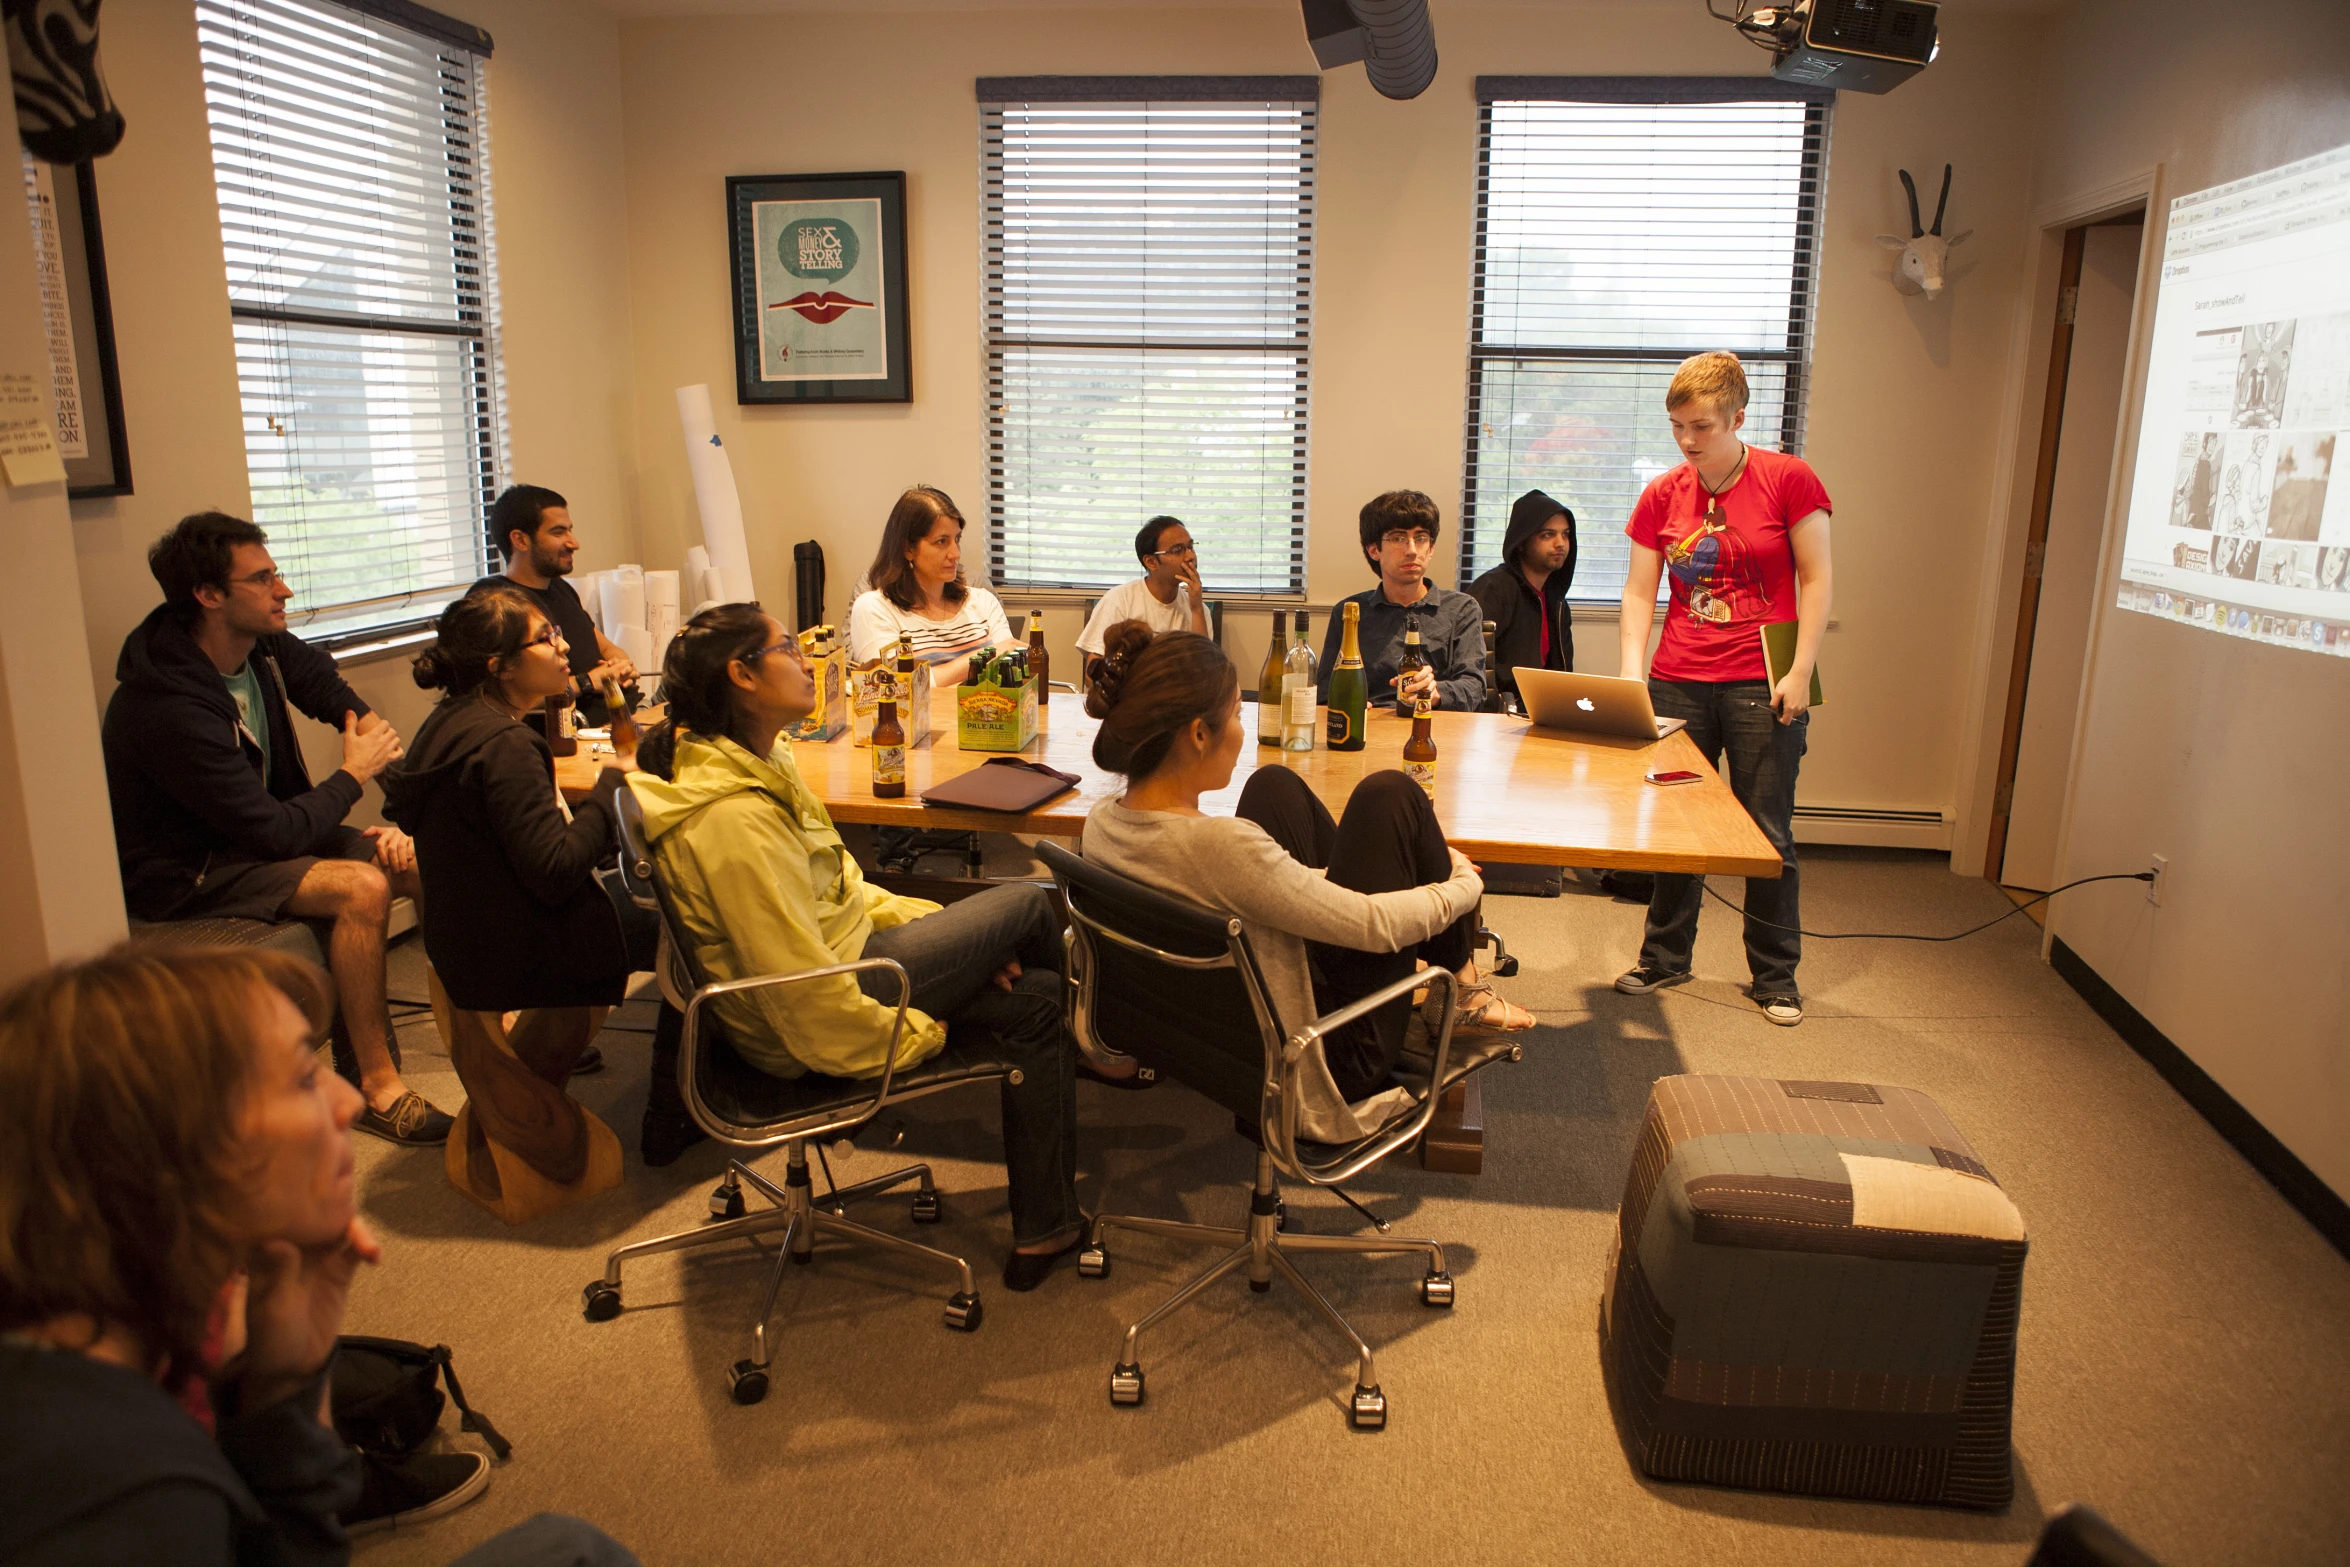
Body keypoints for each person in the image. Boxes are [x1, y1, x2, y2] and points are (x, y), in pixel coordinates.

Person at [0, 943, 641, 1566]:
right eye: (305, 1080)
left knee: (569, 1547)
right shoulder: (132, 1503)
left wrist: (280, 1387)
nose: (350, 1102)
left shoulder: (132, 1338)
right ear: (172, 1160)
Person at [627, 605, 1112, 1289]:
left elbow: (843, 887)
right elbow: (797, 994)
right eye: (788, 647)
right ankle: (1103, 1037)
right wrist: (914, 1031)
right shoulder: (733, 817)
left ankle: (1049, 1223)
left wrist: (973, 953)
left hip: (850, 954)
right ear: (742, 675)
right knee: (1034, 902)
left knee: (1031, 998)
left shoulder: (760, 764)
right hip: (817, 1008)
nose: (807, 659)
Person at [1080, 623, 1532, 1141]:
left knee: (1271, 785)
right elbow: (1375, 925)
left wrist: (1344, 876)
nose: (1242, 730)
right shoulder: (1223, 850)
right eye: (1235, 715)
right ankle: (1461, 981)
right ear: (1198, 734)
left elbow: (1271, 881)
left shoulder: (1103, 823)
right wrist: (1460, 884)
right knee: (1392, 796)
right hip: (1320, 1057)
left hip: (1220, 1035)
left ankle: (1456, 982)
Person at [101, 511, 452, 1146]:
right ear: (209, 596)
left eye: (278, 573)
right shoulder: (168, 707)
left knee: (418, 859)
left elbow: (340, 701)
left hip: (260, 836)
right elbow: (276, 835)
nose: (283, 590)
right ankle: (374, 1085)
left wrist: (407, 815)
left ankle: (478, 1035)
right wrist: (351, 775)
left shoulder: (260, 645)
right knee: (361, 888)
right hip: (191, 870)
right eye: (263, 580)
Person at [381, 587, 640, 1224]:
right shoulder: (504, 745)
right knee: (680, 918)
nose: (564, 648)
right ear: (499, 665)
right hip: (519, 951)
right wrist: (610, 787)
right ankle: (680, 1109)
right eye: (546, 639)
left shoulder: (449, 723)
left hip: (461, 939)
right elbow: (554, 871)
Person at [1614, 351, 1833, 1027]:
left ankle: (1775, 976)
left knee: (1767, 832)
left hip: (1762, 679)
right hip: (1678, 677)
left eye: (1702, 425)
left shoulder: (1788, 480)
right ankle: (1665, 956)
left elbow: (1818, 578)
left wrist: (1799, 672)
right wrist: (1631, 670)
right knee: (1676, 829)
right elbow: (1639, 589)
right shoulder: (1662, 494)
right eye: (1678, 425)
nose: (1687, 439)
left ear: (1739, 417)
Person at [473, 484, 639, 727]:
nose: (573, 543)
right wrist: (588, 681)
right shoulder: (497, 603)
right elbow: (499, 698)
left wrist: (620, 667)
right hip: (576, 734)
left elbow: (609, 650)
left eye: (569, 531)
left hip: (625, 715)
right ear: (520, 540)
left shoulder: (560, 589)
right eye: (558, 532)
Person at [1319, 490, 1487, 712]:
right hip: (1370, 727)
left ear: (1431, 549)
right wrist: (1348, 702)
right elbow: (1324, 692)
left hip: (1436, 726)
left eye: (1421, 538)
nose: (1411, 550)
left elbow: (1475, 687)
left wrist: (1436, 692)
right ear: (1374, 550)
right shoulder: (1351, 612)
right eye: (1398, 538)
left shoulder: (1461, 609)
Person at [845, 486, 1016, 682]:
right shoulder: (874, 609)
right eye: (942, 542)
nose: (956, 554)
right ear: (908, 548)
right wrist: (986, 656)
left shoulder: (984, 602)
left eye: (957, 539)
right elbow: (896, 687)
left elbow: (1007, 675)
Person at [1469, 489, 1579, 704]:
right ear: (1521, 542)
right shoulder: (1495, 588)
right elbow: (1468, 663)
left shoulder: (1556, 602)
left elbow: (1561, 674)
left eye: (1565, 534)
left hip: (1544, 711)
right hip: (1498, 716)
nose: (1560, 543)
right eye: (1548, 535)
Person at [1075, 515, 1210, 657]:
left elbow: (1205, 670)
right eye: (1178, 550)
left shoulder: (1199, 610)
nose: (1190, 556)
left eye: (1190, 547)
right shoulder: (1120, 600)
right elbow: (1094, 671)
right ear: (1151, 562)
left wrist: (1196, 610)